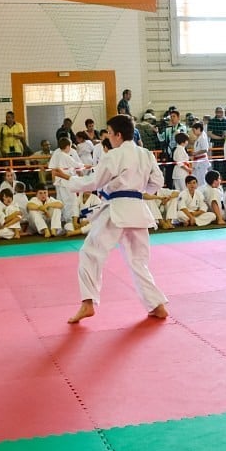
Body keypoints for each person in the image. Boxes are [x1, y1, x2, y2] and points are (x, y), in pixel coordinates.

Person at [52, 114, 168, 324]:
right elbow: (158, 181)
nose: (108, 136)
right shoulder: (146, 154)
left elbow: (94, 182)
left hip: (117, 211)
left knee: (89, 253)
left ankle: (88, 303)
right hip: (138, 210)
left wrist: (69, 179)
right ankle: (157, 305)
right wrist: (139, 191)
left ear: (118, 135)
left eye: (109, 133)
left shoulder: (114, 156)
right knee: (138, 262)